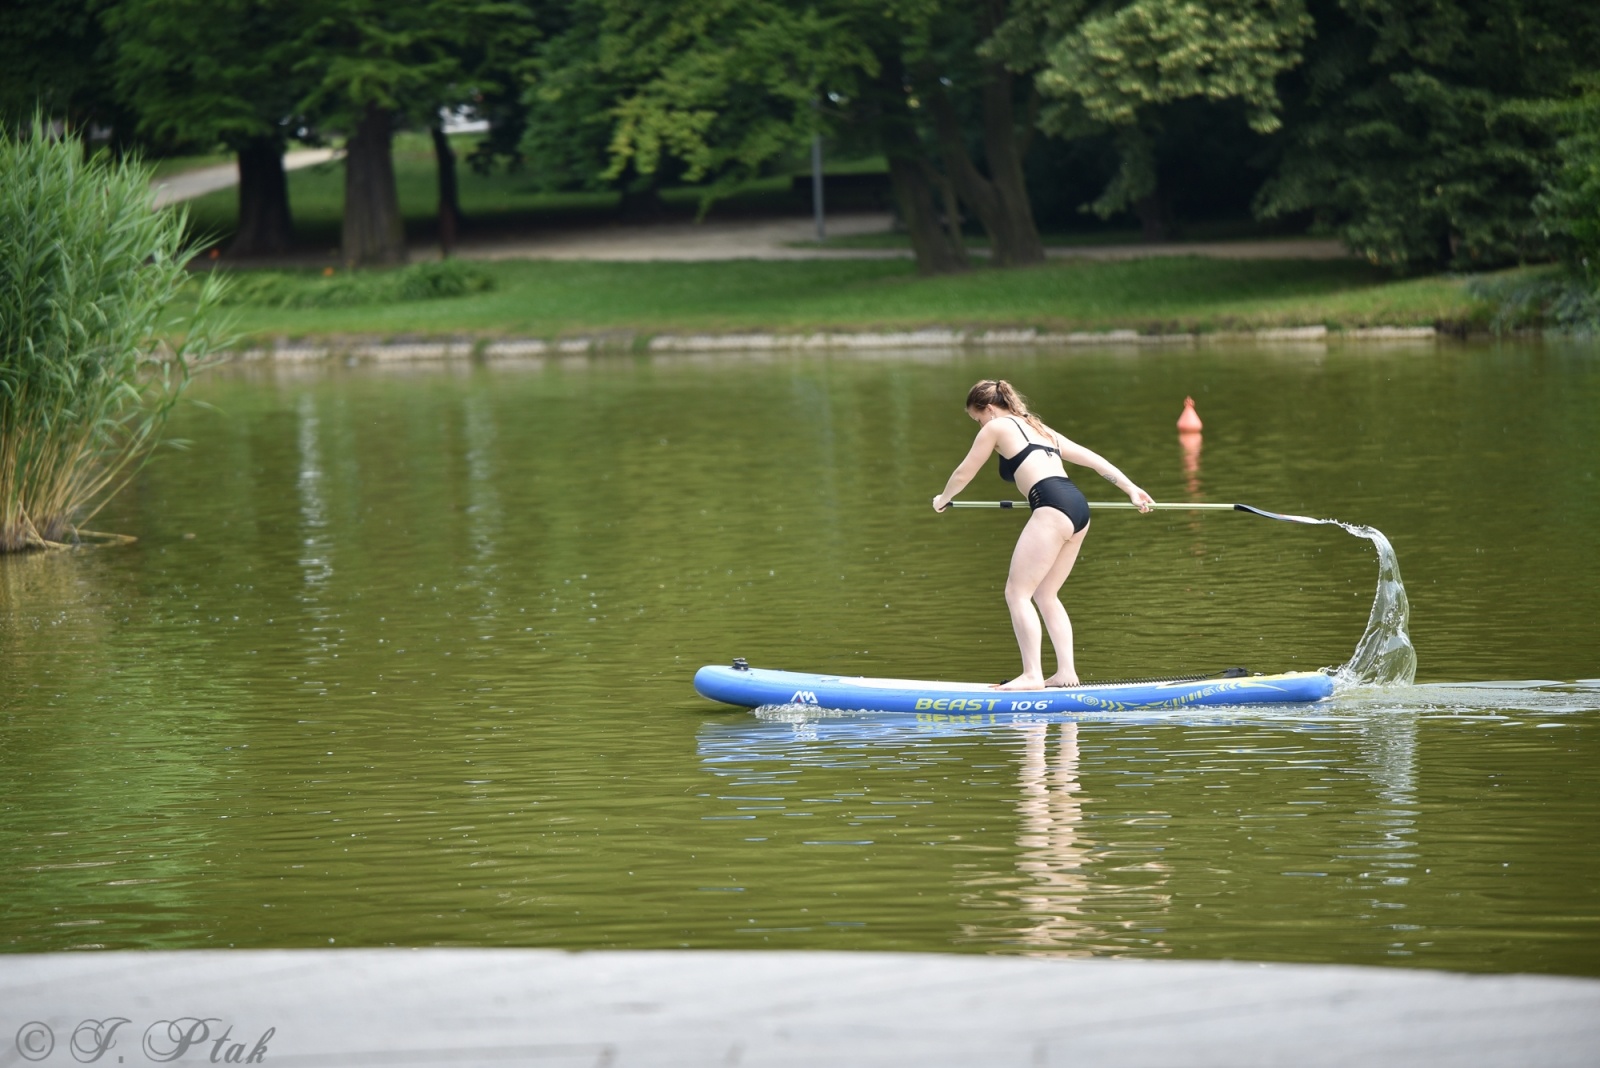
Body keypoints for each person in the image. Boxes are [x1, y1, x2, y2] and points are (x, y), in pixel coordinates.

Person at [932, 379, 1154, 689]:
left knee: (1016, 593)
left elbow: (963, 472)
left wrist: (943, 499)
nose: (979, 426)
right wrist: (1130, 488)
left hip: (1051, 507)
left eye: (977, 419)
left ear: (990, 410)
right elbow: (1092, 459)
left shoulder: (995, 428)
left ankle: (1032, 675)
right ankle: (1066, 673)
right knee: (1046, 594)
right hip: (1078, 507)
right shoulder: (1039, 428)